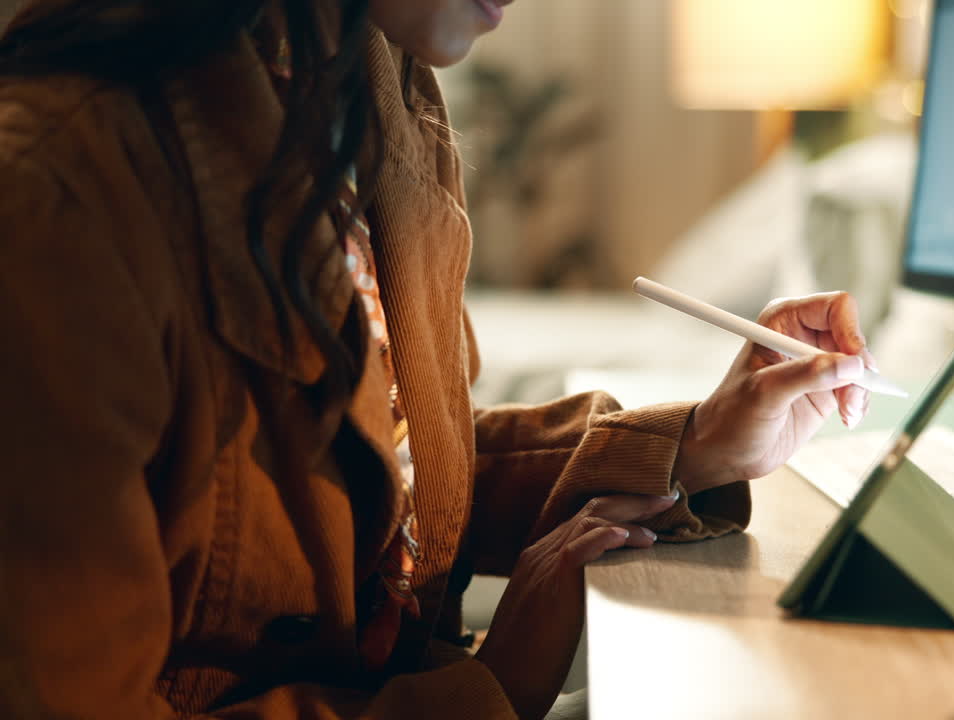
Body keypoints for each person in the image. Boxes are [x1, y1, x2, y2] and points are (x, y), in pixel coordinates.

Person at [0, 1, 874, 718]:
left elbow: (390, 464)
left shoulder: (376, 92)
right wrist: (489, 693)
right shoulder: (54, 199)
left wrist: (693, 443)